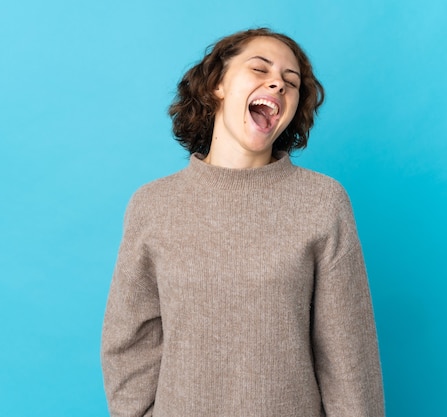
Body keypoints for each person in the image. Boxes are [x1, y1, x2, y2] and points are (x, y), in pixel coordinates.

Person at [101, 28, 384, 417]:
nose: (277, 84)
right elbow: (129, 344)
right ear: (217, 84)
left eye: (291, 82)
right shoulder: (152, 205)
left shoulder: (322, 202)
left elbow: (349, 356)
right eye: (260, 69)